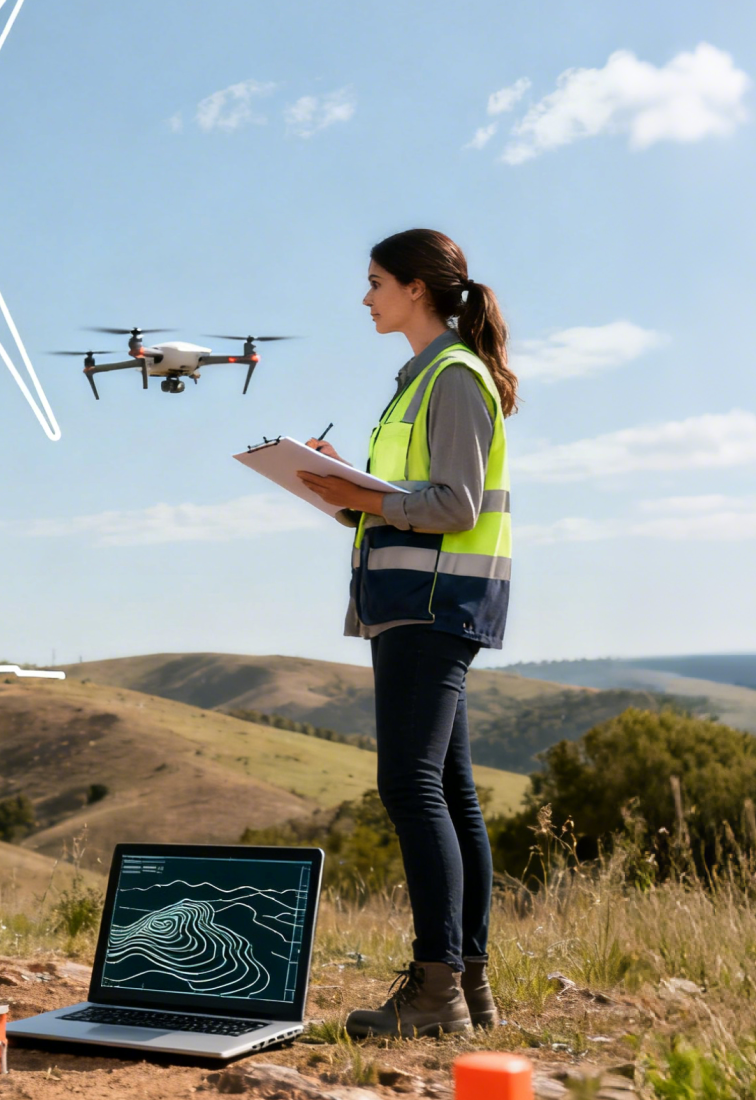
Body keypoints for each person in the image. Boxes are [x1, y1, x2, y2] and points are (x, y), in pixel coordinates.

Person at [296, 229, 515, 1038]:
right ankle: (468, 990)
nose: (366, 298)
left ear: (416, 288)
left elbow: (454, 504)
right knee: (450, 793)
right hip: (418, 598)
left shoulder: (452, 377)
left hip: (431, 603)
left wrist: (364, 498)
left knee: (410, 787)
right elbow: (410, 500)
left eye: (376, 282)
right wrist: (341, 488)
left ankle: (436, 992)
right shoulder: (424, 379)